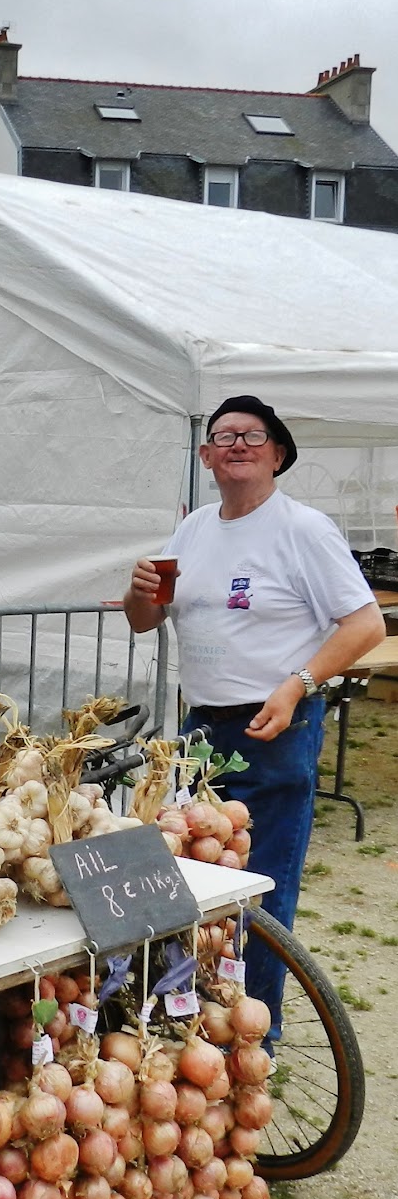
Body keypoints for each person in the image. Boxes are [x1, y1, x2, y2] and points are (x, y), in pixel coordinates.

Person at [123, 395, 383, 1025]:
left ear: (278, 454)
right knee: (190, 879)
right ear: (207, 455)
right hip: (202, 729)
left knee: (258, 889)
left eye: (253, 435)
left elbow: (365, 624)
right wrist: (137, 596)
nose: (237, 443)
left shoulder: (304, 529)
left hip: (275, 727)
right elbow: (146, 620)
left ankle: (253, 1035)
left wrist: (297, 684)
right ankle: (193, 1019)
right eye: (224, 435)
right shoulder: (193, 529)